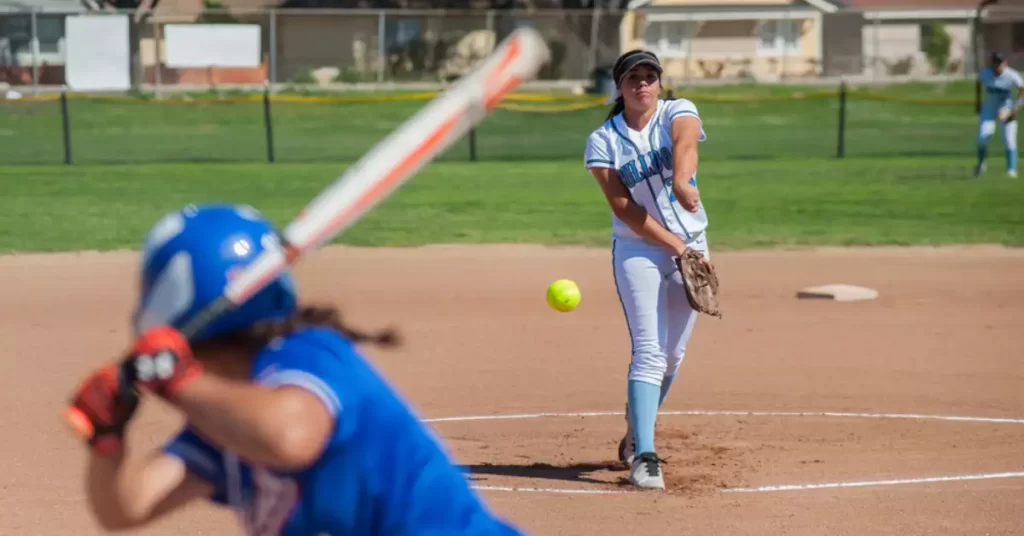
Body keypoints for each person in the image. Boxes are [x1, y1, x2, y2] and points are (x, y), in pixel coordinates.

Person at [65, 203, 522, 535]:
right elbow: (126, 508)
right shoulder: (228, 420)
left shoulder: (309, 354)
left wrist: (178, 378)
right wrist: (108, 439)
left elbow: (289, 438)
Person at [583, 50, 712, 490]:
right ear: (619, 87)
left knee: (674, 355)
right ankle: (646, 456)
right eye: (633, 77)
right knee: (650, 351)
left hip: (691, 248)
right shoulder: (604, 141)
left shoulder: (679, 110)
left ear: (659, 83)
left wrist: (680, 180)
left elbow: (686, 144)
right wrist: (678, 247)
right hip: (639, 251)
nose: (642, 84)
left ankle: (635, 429)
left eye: (650, 76)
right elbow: (623, 206)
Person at [975, 51, 1022, 178]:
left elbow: (1022, 90)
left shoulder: (1012, 75)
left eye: (999, 63)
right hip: (989, 108)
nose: (997, 65)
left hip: (1006, 109)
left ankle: (1011, 170)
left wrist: (1015, 108)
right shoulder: (986, 73)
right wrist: (978, 102)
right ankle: (981, 163)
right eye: (995, 62)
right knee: (983, 137)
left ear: (1005, 63)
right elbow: (978, 82)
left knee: (1009, 139)